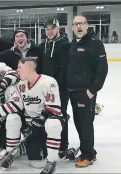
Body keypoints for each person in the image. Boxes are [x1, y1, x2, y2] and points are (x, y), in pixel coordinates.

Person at [0, 57, 64, 174]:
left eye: (20, 68)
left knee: (37, 163)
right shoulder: (21, 84)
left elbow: (54, 107)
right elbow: (18, 104)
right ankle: (10, 153)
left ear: (29, 69)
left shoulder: (48, 82)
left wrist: (40, 119)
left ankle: (51, 161)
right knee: (12, 117)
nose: (17, 70)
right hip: (29, 123)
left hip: (45, 122)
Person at [67, 15, 108, 168]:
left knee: (85, 124)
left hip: (85, 92)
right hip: (73, 90)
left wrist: (92, 90)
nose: (79, 26)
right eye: (76, 24)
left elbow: (102, 69)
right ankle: (87, 151)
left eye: (82, 23)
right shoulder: (73, 43)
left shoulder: (94, 43)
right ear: (72, 27)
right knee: (78, 123)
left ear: (87, 25)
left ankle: (89, 156)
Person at [39, 18, 71, 159]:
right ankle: (47, 144)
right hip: (45, 89)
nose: (49, 31)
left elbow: (64, 69)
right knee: (45, 116)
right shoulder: (44, 44)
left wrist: (56, 88)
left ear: (58, 28)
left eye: (52, 28)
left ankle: (63, 145)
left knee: (60, 116)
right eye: (47, 29)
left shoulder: (65, 45)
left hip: (60, 90)